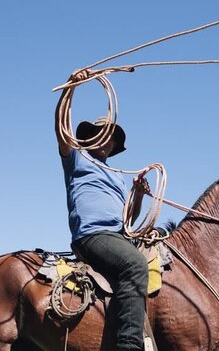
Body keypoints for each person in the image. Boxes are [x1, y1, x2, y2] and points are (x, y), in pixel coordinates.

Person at [55, 92, 150, 350]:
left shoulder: (118, 176)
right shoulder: (76, 158)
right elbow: (62, 132)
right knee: (135, 265)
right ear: (89, 136)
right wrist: (70, 91)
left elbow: (128, 219)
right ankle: (130, 345)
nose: (107, 139)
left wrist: (139, 195)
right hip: (92, 235)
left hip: (117, 236)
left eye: (112, 136)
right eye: (102, 133)